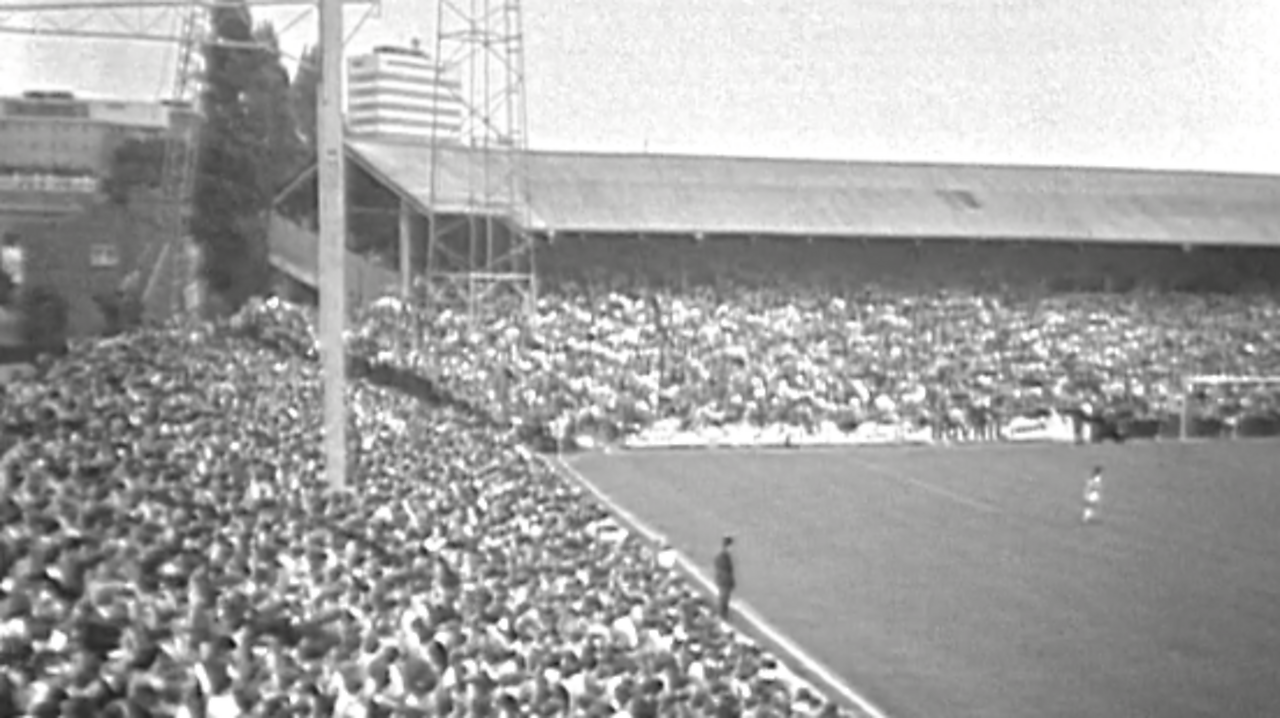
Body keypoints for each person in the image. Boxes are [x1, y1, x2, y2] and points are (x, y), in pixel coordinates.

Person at [714, 535, 736, 620]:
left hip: (722, 581)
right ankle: (722, 616)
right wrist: (730, 582)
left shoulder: (722, 555)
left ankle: (723, 614)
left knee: (724, 598)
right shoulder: (723, 557)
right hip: (724, 582)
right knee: (723, 599)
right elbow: (726, 571)